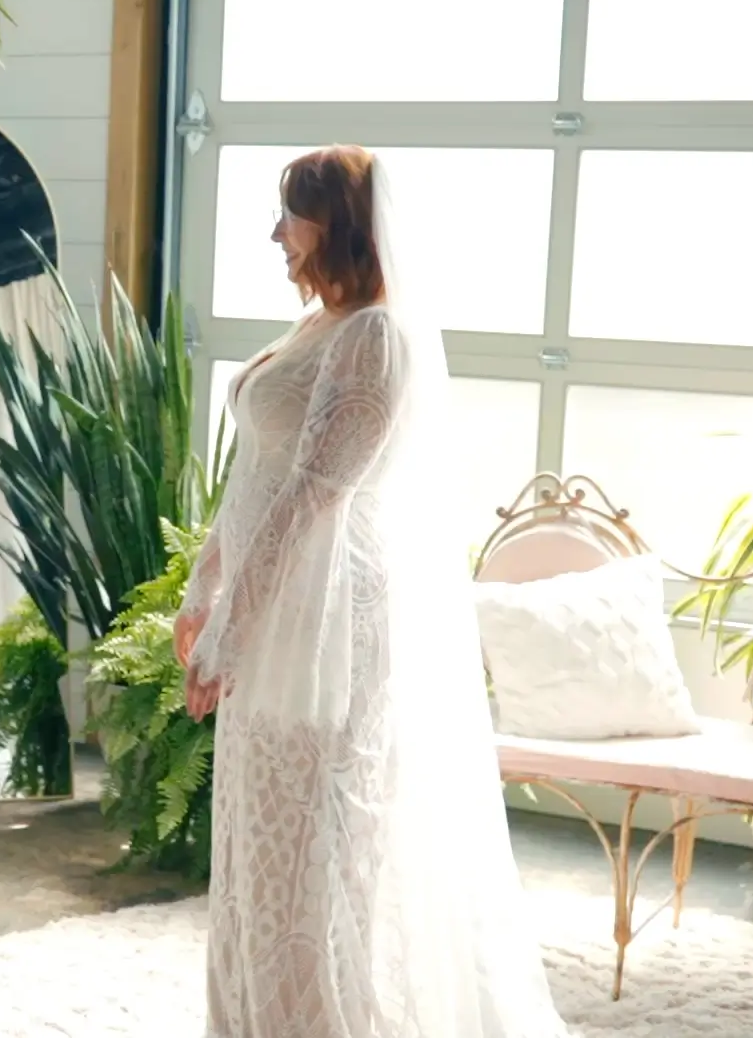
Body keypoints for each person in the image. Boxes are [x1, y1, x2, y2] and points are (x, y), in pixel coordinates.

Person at [173, 145, 568, 1037]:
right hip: (270, 607)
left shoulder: (376, 337)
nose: (275, 233)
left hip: (325, 620)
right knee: (254, 844)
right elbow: (253, 477)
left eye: (290, 214)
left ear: (337, 223)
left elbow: (313, 494)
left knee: (313, 853)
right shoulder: (318, 325)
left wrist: (232, 629)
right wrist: (205, 589)